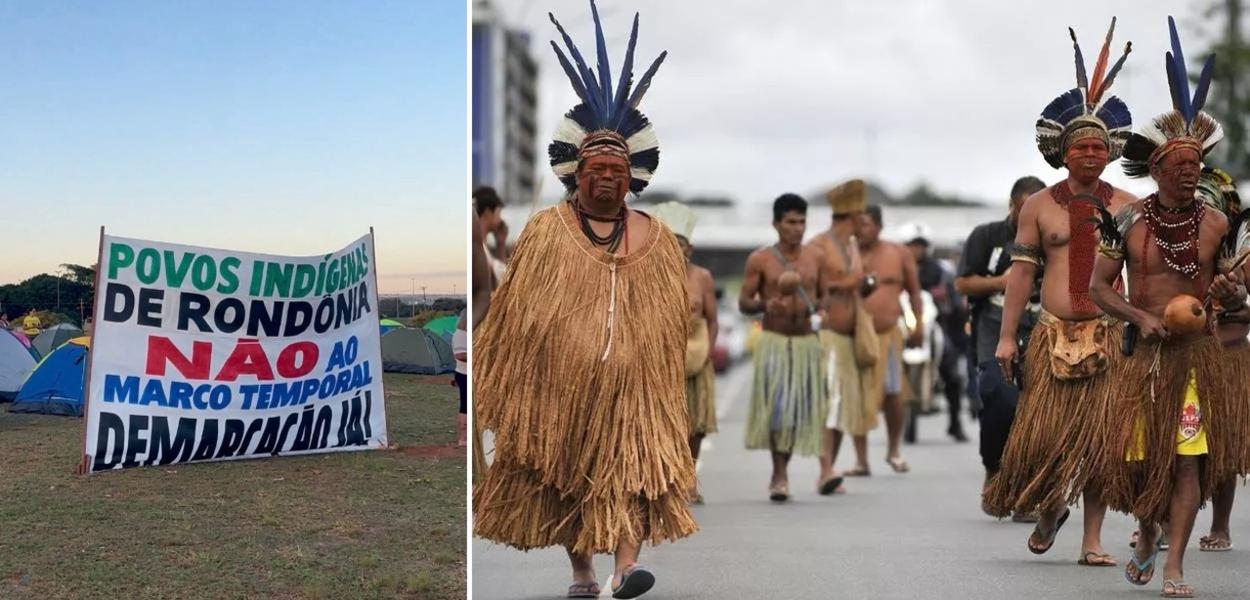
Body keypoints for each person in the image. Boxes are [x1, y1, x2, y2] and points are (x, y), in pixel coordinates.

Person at [471, 5, 692, 598]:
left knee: (635, 475)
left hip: (634, 389)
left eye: (616, 172)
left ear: (632, 177)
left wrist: (660, 371)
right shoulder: (547, 230)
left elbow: (674, 316)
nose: (606, 180)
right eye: (595, 169)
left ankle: (624, 569)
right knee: (569, 479)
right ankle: (583, 571)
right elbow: (516, 311)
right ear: (576, 173)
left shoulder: (657, 237)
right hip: (562, 388)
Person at [1090, 21, 1246, 595]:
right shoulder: (1129, 221)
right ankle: (1149, 529)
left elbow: (1232, 287)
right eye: (1178, 164)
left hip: (1196, 363)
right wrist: (1140, 316)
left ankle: (1175, 563)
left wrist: (1232, 295)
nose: (1190, 170)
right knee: (1134, 464)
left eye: (1195, 164)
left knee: (1188, 463)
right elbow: (1099, 289)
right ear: (1156, 169)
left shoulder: (1217, 223)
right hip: (1143, 359)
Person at [983, 19, 1135, 568]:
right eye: (1081, 147)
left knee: (1098, 443)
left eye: (1099, 147)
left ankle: (1093, 540)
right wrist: (1006, 339)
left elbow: (1137, 273)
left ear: (1109, 153)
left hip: (1109, 334)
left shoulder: (1126, 207)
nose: (1091, 155)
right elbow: (1020, 275)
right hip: (1050, 336)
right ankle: (1050, 508)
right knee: (1047, 439)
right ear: (1064, 153)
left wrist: (1142, 326)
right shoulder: (1039, 206)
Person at [955, 175, 1046, 520]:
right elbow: (963, 282)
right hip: (994, 327)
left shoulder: (1052, 235)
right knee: (999, 399)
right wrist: (1002, 282)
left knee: (1036, 408)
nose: (1030, 217)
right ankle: (994, 468)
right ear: (1012, 206)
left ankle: (1027, 493)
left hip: (1042, 326)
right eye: (1024, 210)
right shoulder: (987, 236)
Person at [740, 193, 828, 501]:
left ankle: (791, 470)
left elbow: (825, 296)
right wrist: (767, 304)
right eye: (791, 222)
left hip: (806, 343)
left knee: (796, 411)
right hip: (774, 342)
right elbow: (744, 302)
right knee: (778, 410)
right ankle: (779, 474)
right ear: (776, 224)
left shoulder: (815, 257)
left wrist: (819, 308)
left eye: (802, 222)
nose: (798, 228)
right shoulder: (760, 259)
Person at [1195, 167, 1247, 553]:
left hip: (1228, 356)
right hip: (1182, 354)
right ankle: (1160, 519)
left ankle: (1221, 527)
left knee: (1223, 446)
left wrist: (1233, 304)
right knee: (1174, 442)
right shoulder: (1172, 247)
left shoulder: (1240, 255)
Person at [850, 205, 924, 474]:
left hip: (889, 334)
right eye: (857, 225)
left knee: (893, 394)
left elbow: (915, 291)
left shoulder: (898, 252)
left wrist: (918, 324)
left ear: (879, 227)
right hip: (855, 334)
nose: (861, 231)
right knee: (857, 394)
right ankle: (861, 460)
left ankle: (894, 449)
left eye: (866, 225)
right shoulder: (848, 254)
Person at [653, 201, 718, 504]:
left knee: (696, 425)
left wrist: (706, 352)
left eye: (680, 244)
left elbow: (713, 319)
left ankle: (689, 478)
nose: (676, 250)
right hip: (662, 361)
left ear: (689, 249)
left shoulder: (702, 277)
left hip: (697, 357)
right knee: (665, 424)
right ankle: (666, 480)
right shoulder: (651, 276)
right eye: (670, 244)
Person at [808, 179, 869, 495]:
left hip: (849, 336)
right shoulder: (819, 245)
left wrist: (860, 283)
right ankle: (824, 470)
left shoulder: (852, 245)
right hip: (828, 335)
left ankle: (829, 467)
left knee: (843, 407)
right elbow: (812, 286)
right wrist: (845, 283)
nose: (865, 221)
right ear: (853, 217)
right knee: (828, 405)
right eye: (862, 216)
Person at [900, 222, 969, 443]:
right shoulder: (895, 268)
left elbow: (955, 300)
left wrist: (951, 304)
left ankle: (955, 423)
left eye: (920, 245)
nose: (916, 249)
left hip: (933, 326)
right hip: (901, 326)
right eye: (912, 245)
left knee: (952, 372)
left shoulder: (940, 272)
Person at [473, 186, 509, 286]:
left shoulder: (481, 247)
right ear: (488, 212)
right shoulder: (479, 250)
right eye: (498, 212)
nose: (500, 218)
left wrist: (500, 243)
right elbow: (503, 284)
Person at [453, 310, 467, 448]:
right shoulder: (461, 335)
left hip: (467, 373)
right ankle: (463, 438)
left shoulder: (466, 334)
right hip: (464, 374)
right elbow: (460, 355)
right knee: (465, 407)